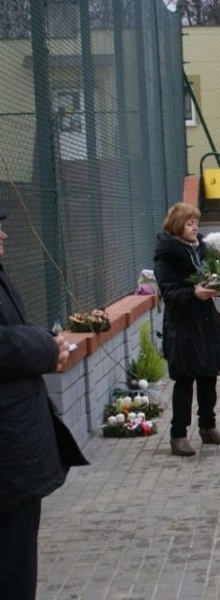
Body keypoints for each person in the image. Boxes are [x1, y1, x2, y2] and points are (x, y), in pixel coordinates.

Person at [1, 211, 88, 599]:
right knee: (13, 568)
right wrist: (45, 347)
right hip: (8, 458)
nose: (4, 234)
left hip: (15, 452)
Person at [154, 203, 220, 457]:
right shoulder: (166, 255)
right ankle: (178, 435)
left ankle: (208, 427)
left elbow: (214, 280)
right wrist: (193, 293)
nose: (195, 227)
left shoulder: (202, 248)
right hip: (183, 325)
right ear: (178, 225)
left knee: (209, 375)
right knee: (184, 380)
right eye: (190, 223)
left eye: (196, 223)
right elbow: (169, 293)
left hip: (207, 322)